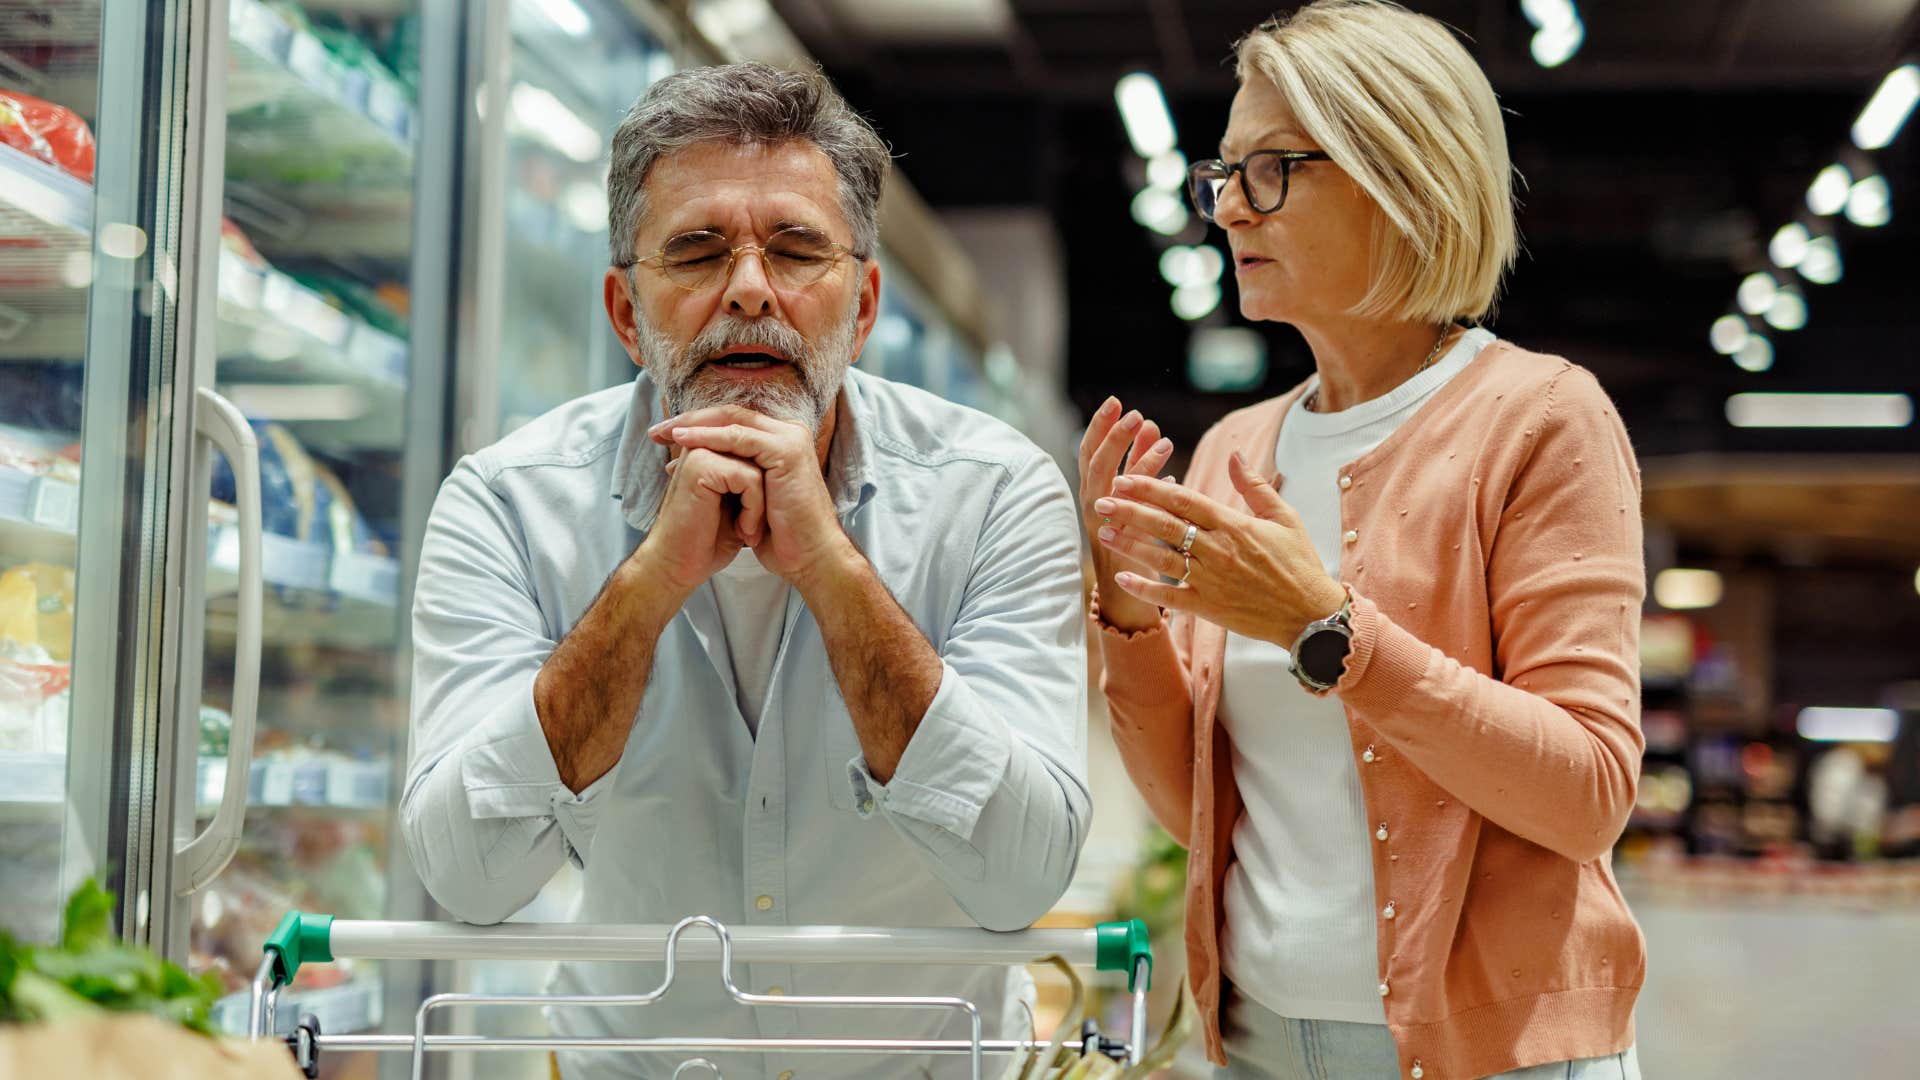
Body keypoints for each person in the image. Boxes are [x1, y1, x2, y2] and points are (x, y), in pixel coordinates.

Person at [402, 62, 1090, 1080]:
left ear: (861, 308)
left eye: (798, 249)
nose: (752, 288)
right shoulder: (506, 502)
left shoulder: (993, 494)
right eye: (696, 249)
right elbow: (469, 876)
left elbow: (1020, 878)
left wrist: (828, 565)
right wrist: (648, 584)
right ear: (627, 313)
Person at [1083, 3, 1647, 1078]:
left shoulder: (1539, 421)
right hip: (1256, 1043)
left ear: (1403, 173)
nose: (1229, 210)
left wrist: (1325, 632)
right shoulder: (1236, 451)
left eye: (1272, 172)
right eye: (1223, 174)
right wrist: (1128, 614)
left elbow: (1586, 797)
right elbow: (1196, 815)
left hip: (1495, 1057)